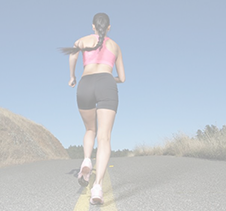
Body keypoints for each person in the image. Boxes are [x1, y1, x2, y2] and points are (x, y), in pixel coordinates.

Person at [60, 13, 125, 205]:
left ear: (93, 26)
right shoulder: (115, 46)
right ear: (109, 27)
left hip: (85, 84)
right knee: (104, 137)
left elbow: (73, 55)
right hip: (106, 83)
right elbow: (122, 78)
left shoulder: (83, 40)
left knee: (90, 129)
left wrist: (72, 76)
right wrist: (107, 79)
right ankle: (97, 187)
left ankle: (87, 160)